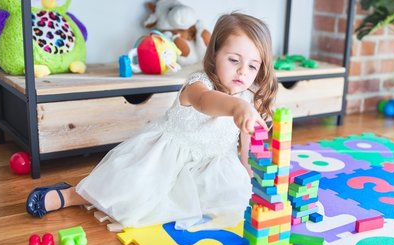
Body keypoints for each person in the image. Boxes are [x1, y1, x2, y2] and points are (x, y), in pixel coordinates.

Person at [26, 12, 278, 230]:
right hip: (165, 159)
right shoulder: (198, 85)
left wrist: (244, 162)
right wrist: (237, 107)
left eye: (253, 66)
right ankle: (72, 195)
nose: (243, 71)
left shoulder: (247, 97)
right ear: (214, 56)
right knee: (128, 192)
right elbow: (206, 102)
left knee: (231, 199)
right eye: (234, 60)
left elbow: (245, 132)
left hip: (209, 164)